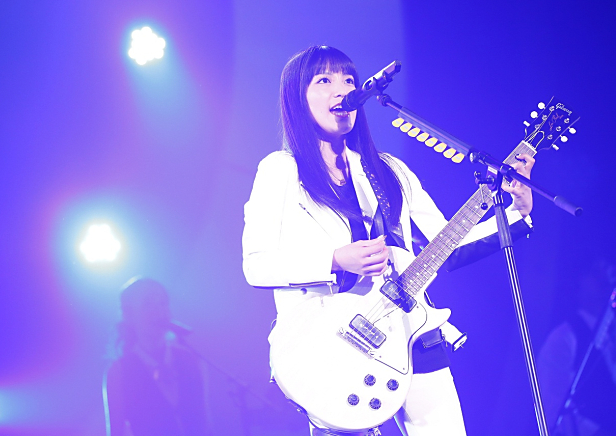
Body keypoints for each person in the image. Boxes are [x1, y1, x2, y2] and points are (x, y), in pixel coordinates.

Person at [241, 45, 534, 436]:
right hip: (329, 345)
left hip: (412, 332)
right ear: (297, 97)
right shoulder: (280, 170)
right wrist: (334, 259)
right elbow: (256, 265)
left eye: (349, 80)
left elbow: (446, 246)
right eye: (324, 80)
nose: (342, 90)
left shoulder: (390, 170)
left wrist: (516, 211)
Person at [103, 277, 211, 436]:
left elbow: (206, 423)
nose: (159, 311)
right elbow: (116, 432)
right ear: (129, 315)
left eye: (163, 303)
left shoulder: (191, 359)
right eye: (148, 304)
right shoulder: (119, 372)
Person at [537, 259, 616, 436]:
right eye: (595, 272)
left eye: (609, 272)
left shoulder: (610, 337)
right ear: (579, 283)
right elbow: (550, 406)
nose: (606, 277)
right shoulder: (564, 336)